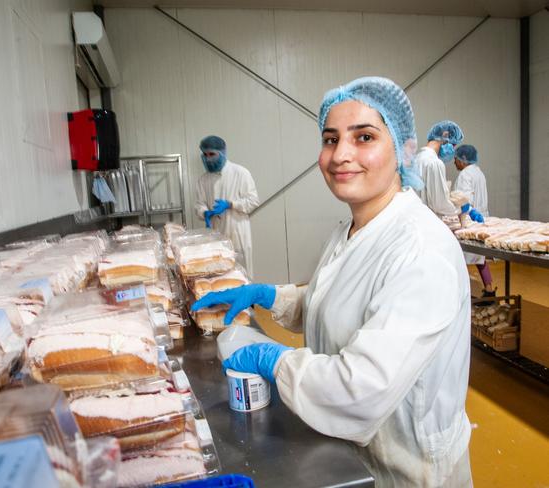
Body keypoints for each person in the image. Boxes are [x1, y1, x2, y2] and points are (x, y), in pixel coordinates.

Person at [192, 78, 472, 487]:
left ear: (402, 149)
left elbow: (360, 390)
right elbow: (339, 300)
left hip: (406, 469)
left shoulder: (421, 250)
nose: (341, 155)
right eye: (330, 139)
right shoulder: (351, 229)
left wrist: (274, 360)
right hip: (349, 453)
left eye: (364, 137)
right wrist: (271, 296)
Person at [195, 135, 260, 277]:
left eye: (212, 154)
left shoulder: (240, 173)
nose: (208, 158)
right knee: (219, 278)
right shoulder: (203, 180)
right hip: (215, 237)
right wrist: (204, 212)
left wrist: (231, 204)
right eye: (205, 155)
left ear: (222, 153)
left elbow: (253, 201)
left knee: (242, 277)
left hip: (237, 235)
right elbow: (199, 204)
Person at [454, 144, 494, 296]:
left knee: (460, 259)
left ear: (463, 160)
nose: (454, 162)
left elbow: (465, 200)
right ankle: (489, 290)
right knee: (480, 258)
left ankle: (462, 293)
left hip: (469, 220)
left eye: (456, 159)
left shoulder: (465, 175)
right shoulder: (479, 172)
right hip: (481, 219)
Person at [417, 120, 464, 218]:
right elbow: (439, 205)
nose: (453, 149)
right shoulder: (434, 163)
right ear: (445, 136)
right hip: (429, 223)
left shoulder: (417, 159)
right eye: (453, 145)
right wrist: (460, 209)